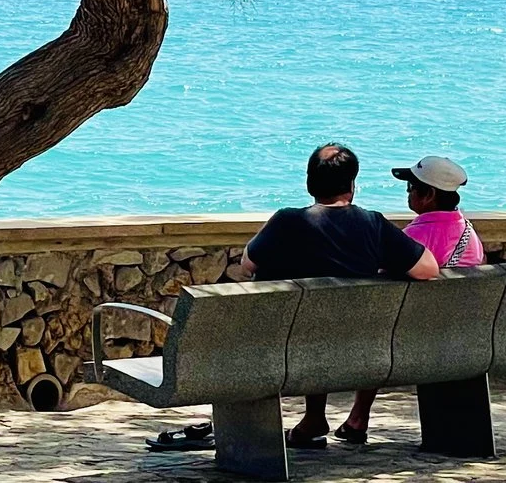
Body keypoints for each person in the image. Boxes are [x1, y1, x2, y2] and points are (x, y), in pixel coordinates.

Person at [149, 145, 435, 453]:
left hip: (283, 356)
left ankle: (304, 422)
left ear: (310, 184)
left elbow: (248, 265)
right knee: (324, 325)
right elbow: (428, 268)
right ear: (352, 186)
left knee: (301, 325)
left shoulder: (288, 222)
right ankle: (313, 421)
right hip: (359, 354)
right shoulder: (374, 225)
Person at [331, 155, 484, 445]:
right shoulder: (468, 232)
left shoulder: (417, 235)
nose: (408, 193)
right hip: (466, 333)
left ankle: (358, 418)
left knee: (379, 330)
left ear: (428, 195)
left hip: (416, 340)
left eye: (411, 187)